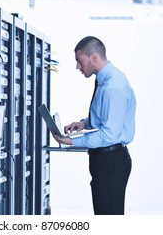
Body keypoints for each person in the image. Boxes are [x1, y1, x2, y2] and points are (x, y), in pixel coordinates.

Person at [53, 36, 136, 215]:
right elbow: (106, 118)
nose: (77, 67)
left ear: (94, 57)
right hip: (106, 159)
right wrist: (84, 123)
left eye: (79, 61)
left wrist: (71, 142)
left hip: (111, 160)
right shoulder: (104, 80)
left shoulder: (113, 87)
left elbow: (108, 135)